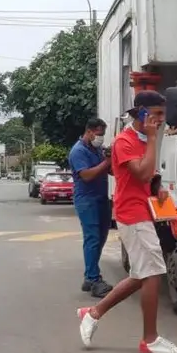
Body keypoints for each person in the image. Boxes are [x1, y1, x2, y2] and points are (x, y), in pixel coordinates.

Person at [76, 91, 177, 353]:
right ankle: (149, 339)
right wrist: (153, 139)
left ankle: (93, 312)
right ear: (143, 113)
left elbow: (150, 177)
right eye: (156, 114)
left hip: (143, 211)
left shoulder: (141, 139)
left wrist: (157, 188)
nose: (161, 120)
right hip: (132, 214)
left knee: (140, 275)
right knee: (153, 273)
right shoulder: (125, 141)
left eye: (162, 114)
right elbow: (143, 171)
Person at [68, 118, 113, 298]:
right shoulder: (78, 151)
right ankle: (94, 279)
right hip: (87, 200)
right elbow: (86, 175)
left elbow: (110, 171)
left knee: (100, 238)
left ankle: (90, 276)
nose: (101, 138)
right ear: (90, 132)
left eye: (102, 134)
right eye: (99, 134)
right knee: (92, 238)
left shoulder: (97, 150)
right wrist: (106, 162)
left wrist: (112, 159)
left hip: (101, 198)